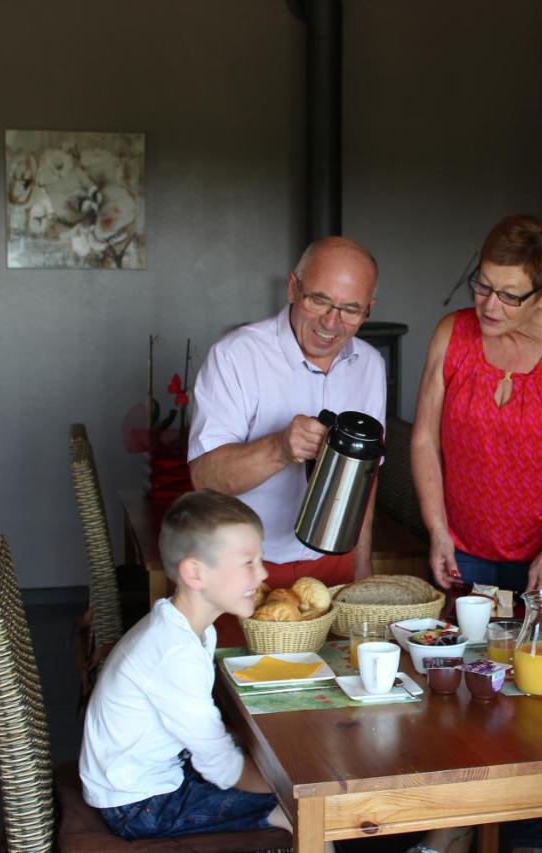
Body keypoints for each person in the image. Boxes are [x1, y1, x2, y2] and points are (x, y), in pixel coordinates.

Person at [79, 489, 303, 843]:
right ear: (195, 573)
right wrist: (288, 789)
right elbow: (222, 767)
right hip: (141, 804)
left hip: (148, 777)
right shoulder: (175, 653)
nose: (262, 573)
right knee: (303, 813)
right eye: (248, 562)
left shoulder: (187, 628)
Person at [411, 213, 542, 596]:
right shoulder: (451, 334)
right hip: (460, 547)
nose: (490, 306)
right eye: (483, 286)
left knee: (535, 654)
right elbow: (424, 441)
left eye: (509, 295)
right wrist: (437, 531)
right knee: (460, 655)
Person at [189, 236, 386, 587]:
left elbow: (366, 477)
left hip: (335, 565)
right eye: (319, 300)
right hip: (241, 570)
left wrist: (361, 564)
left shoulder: (369, 365)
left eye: (351, 310)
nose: (331, 323)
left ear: (368, 309)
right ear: (293, 288)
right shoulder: (235, 356)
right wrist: (279, 448)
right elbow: (205, 477)